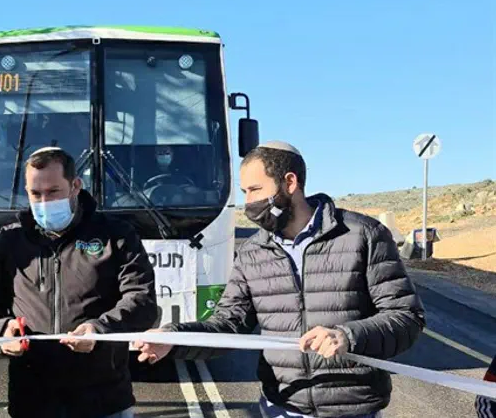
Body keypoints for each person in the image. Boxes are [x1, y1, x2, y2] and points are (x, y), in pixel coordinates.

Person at [135, 141, 426, 418]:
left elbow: (406, 317)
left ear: (290, 183)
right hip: (281, 406)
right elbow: (227, 325)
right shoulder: (251, 254)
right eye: (244, 192)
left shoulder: (363, 235)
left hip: (353, 409)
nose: (248, 203)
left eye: (255, 189)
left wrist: (347, 336)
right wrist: (174, 339)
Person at [0, 147, 158, 418]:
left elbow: (142, 301)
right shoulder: (8, 242)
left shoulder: (116, 235)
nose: (44, 201)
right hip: (33, 401)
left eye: (53, 191)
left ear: (75, 186)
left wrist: (99, 329)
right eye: (36, 194)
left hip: (104, 400)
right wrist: (0, 331)